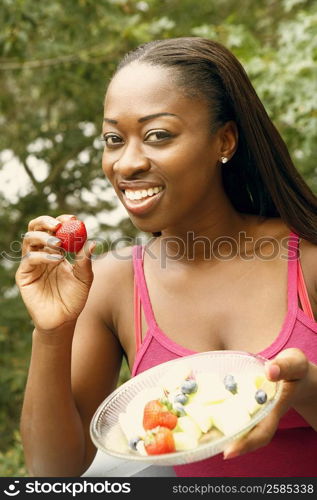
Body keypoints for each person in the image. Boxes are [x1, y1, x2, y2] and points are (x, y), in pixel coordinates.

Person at [16, 37, 317, 478]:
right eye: (113, 139)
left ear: (224, 141)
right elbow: (52, 471)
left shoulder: (306, 261)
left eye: (158, 135)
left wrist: (305, 387)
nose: (127, 163)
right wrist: (52, 331)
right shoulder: (113, 284)